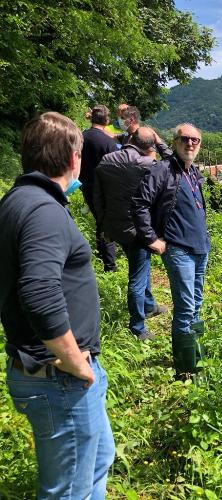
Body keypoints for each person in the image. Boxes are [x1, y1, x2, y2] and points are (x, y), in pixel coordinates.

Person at [0, 112, 115, 499]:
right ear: (73, 158)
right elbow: (38, 290)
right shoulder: (43, 211)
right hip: (58, 376)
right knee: (68, 491)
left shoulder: (20, 201)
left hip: (55, 374)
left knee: (99, 459)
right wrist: (73, 360)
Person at [132, 123, 210, 378]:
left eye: (195, 140)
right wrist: (150, 238)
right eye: (185, 139)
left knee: (196, 304)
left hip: (200, 248)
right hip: (178, 249)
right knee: (186, 306)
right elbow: (140, 203)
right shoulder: (162, 170)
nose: (190, 144)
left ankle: (195, 357)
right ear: (175, 142)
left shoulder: (193, 172)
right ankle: (185, 370)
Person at [94, 127, 171, 340]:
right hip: (139, 229)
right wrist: (159, 141)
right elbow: (174, 163)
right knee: (137, 276)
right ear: (150, 145)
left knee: (141, 264)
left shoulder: (105, 161)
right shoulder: (148, 165)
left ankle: (148, 305)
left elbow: (98, 199)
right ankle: (137, 328)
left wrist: (102, 227)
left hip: (115, 227)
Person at [81, 104, 119, 272]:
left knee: (99, 220)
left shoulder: (81, 137)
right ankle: (109, 265)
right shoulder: (108, 141)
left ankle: (100, 254)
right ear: (107, 120)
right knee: (106, 223)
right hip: (104, 187)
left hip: (86, 185)